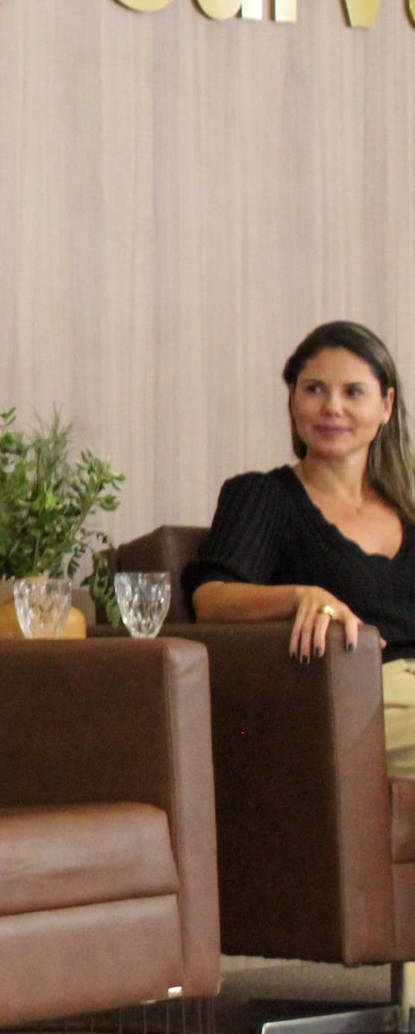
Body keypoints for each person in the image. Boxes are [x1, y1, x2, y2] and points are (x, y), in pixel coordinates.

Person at [187, 320, 415, 778]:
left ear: (386, 405)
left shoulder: (408, 510)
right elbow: (209, 597)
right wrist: (301, 595)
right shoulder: (263, 495)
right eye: (314, 389)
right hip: (354, 696)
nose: (332, 407)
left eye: (353, 392)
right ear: (293, 399)